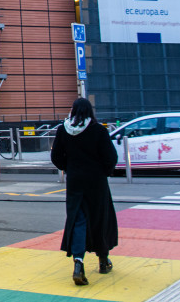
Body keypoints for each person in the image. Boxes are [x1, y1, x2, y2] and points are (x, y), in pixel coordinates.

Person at [50, 98, 119, 286]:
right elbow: (111, 157)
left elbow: (55, 156)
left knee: (78, 220)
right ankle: (103, 260)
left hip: (75, 182)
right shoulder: (98, 130)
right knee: (100, 218)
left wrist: (69, 168)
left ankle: (78, 263)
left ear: (73, 110)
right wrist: (104, 172)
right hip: (96, 182)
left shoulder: (63, 130)